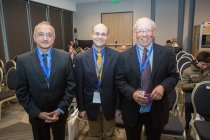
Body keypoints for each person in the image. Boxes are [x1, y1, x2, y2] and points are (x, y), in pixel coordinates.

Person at [115, 17, 179, 140]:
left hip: (157, 108)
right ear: (135, 33)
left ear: (154, 32)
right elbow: (120, 81)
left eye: (148, 30)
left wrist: (163, 87)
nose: (144, 34)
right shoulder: (123, 56)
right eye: (140, 31)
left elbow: (173, 76)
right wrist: (132, 93)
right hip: (132, 109)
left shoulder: (167, 53)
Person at [15, 21, 76, 140]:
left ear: (54, 38)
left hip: (60, 113)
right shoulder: (23, 60)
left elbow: (71, 86)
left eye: (49, 35)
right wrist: (37, 113)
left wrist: (60, 109)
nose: (45, 38)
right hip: (37, 114)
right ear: (34, 37)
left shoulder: (65, 57)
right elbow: (21, 92)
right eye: (41, 34)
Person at [74, 23, 120, 140]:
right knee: (94, 135)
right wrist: (81, 108)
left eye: (103, 34)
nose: (100, 36)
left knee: (110, 134)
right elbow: (79, 86)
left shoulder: (117, 57)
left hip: (110, 104)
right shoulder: (81, 58)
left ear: (107, 36)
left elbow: (119, 85)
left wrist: (118, 107)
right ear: (92, 35)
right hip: (90, 104)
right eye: (97, 33)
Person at [180, 51, 210, 133]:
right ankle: (187, 125)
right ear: (197, 61)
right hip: (192, 92)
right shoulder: (188, 71)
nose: (205, 67)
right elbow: (183, 86)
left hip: (208, 93)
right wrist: (196, 85)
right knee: (188, 102)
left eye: (207, 65)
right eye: (203, 64)